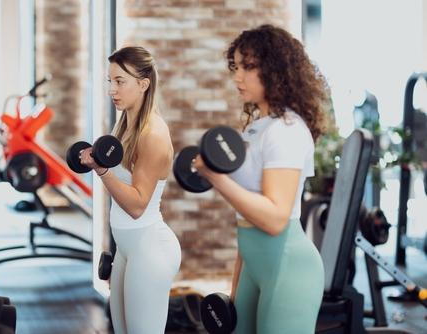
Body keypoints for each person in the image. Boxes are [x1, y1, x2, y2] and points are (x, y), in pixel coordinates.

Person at [193, 24, 330, 333]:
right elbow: (247, 216)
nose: (237, 76)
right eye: (237, 67)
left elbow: (274, 219)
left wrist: (215, 177)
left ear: (276, 70)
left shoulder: (287, 130)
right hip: (253, 265)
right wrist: (236, 285)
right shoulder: (257, 128)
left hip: (288, 268)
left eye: (249, 67)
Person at [79, 46, 181, 334]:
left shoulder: (153, 134)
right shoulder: (124, 125)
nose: (112, 89)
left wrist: (101, 170)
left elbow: (137, 205)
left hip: (150, 248)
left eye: (120, 81)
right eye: (109, 81)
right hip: (127, 248)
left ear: (143, 84)